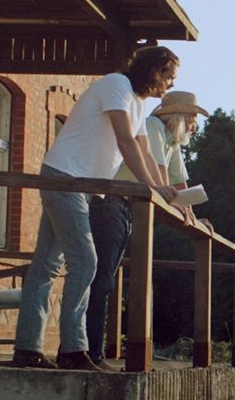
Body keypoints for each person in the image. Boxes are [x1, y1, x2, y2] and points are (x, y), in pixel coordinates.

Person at [11, 47, 180, 370]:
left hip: (81, 186)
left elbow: (145, 151)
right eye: (168, 77)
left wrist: (165, 192)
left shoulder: (138, 102)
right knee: (86, 261)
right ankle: (73, 351)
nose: (169, 85)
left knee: (46, 264)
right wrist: (152, 187)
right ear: (153, 70)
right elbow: (126, 141)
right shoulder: (115, 84)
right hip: (65, 178)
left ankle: (26, 350)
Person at [83, 90, 212, 364]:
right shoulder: (153, 127)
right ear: (177, 117)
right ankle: (88, 350)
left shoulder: (172, 141)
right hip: (111, 202)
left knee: (106, 278)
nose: (194, 125)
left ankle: (89, 349)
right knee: (102, 278)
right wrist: (179, 207)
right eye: (191, 118)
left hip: (127, 207)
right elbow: (160, 174)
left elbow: (178, 184)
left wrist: (191, 215)